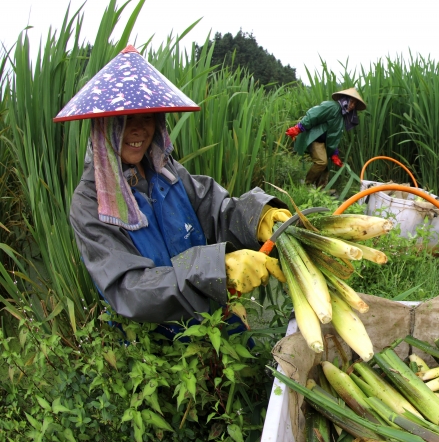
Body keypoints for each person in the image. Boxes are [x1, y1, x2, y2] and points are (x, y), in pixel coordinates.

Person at [55, 45, 291, 326]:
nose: (139, 130)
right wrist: (218, 270)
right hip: (153, 344)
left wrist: (258, 217)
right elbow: (129, 288)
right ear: (104, 126)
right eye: (126, 119)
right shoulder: (90, 202)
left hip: (211, 317)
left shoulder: (166, 171)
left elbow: (215, 210)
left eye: (146, 118)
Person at [285, 88, 367, 188]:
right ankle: (306, 185)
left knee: (326, 166)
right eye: (352, 102)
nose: (353, 106)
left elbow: (334, 136)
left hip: (325, 142)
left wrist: (334, 154)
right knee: (321, 162)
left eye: (355, 104)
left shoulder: (342, 116)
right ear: (345, 100)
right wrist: (298, 128)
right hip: (315, 138)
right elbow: (314, 114)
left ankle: (320, 190)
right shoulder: (332, 107)